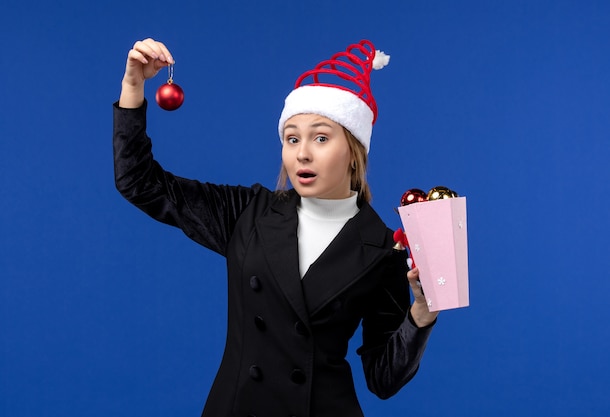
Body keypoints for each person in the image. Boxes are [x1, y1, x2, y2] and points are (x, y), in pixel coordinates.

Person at [113, 37, 438, 417]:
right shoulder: (249, 212)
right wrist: (133, 86)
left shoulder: (383, 249)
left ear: (353, 151)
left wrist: (422, 312)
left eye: (320, 137)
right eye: (292, 138)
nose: (302, 152)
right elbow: (139, 182)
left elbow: (383, 379)